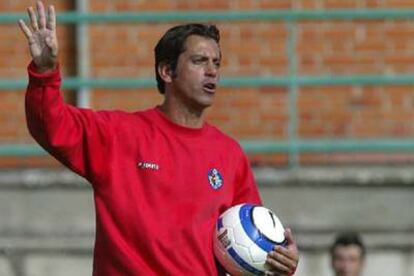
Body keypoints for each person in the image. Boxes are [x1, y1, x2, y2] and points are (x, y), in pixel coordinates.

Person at [18, 1, 299, 275]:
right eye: (199, 61)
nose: (212, 71)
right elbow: (51, 126)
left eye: (216, 62)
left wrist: (280, 261)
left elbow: (253, 240)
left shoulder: (230, 154)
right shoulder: (119, 134)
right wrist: (44, 72)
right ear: (166, 71)